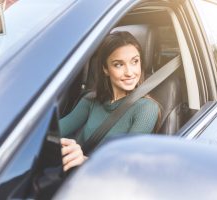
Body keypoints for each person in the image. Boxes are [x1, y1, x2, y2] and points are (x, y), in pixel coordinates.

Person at [59, 31, 160, 172]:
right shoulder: (91, 100)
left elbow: (126, 163)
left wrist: (83, 160)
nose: (129, 72)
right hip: (73, 175)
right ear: (105, 69)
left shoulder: (146, 109)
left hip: (107, 184)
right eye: (118, 64)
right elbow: (57, 131)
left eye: (135, 61)